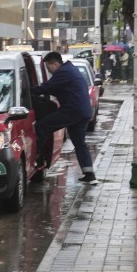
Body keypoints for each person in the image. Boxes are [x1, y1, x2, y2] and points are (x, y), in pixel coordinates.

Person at [31, 52, 96, 184]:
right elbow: (55, 89)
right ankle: (89, 174)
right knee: (79, 142)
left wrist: (28, 91)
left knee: (42, 126)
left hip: (72, 110)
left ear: (56, 64)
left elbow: (47, 87)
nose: (49, 71)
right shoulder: (71, 70)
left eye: (49, 67)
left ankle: (39, 157)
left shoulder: (63, 72)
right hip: (83, 111)